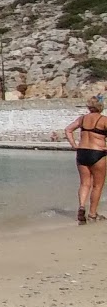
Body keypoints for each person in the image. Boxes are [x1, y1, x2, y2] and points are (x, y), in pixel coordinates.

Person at [63, 94, 107, 223]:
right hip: (97, 152)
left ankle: (82, 206)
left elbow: (68, 130)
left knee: (84, 183)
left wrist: (74, 145)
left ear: (89, 107)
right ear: (101, 106)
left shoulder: (82, 119)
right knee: (97, 185)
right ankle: (92, 214)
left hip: (82, 152)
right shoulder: (103, 120)